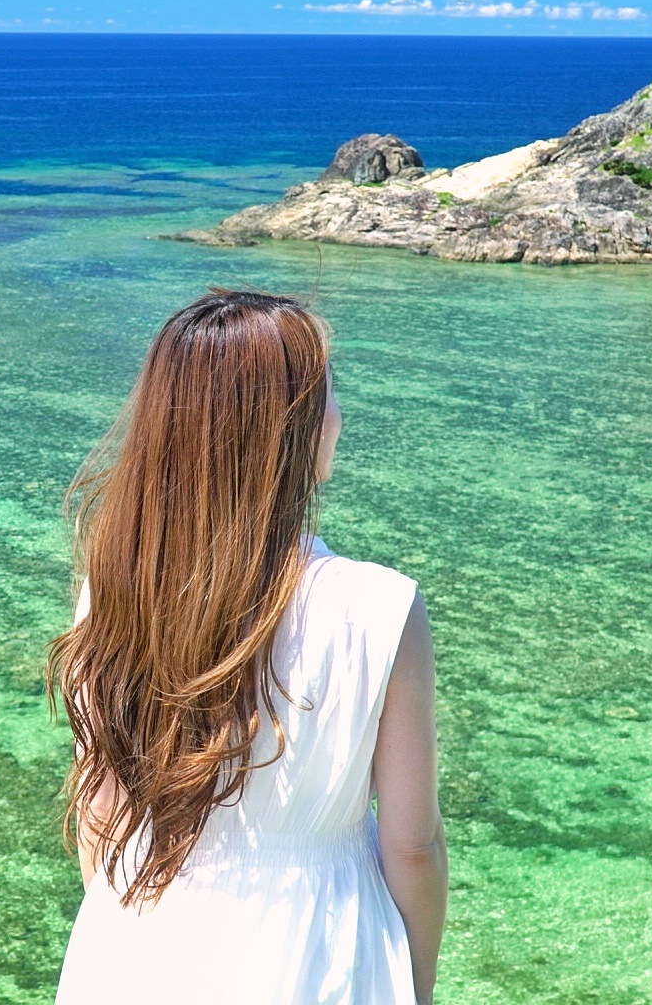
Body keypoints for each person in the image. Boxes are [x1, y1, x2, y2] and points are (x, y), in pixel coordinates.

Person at [47, 288, 447, 1005]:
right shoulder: (382, 607)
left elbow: (100, 817)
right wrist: (414, 988)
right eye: (325, 395)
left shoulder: (112, 588)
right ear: (282, 428)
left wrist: (121, 939)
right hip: (320, 952)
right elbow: (412, 846)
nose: (340, 416)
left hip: (137, 934)